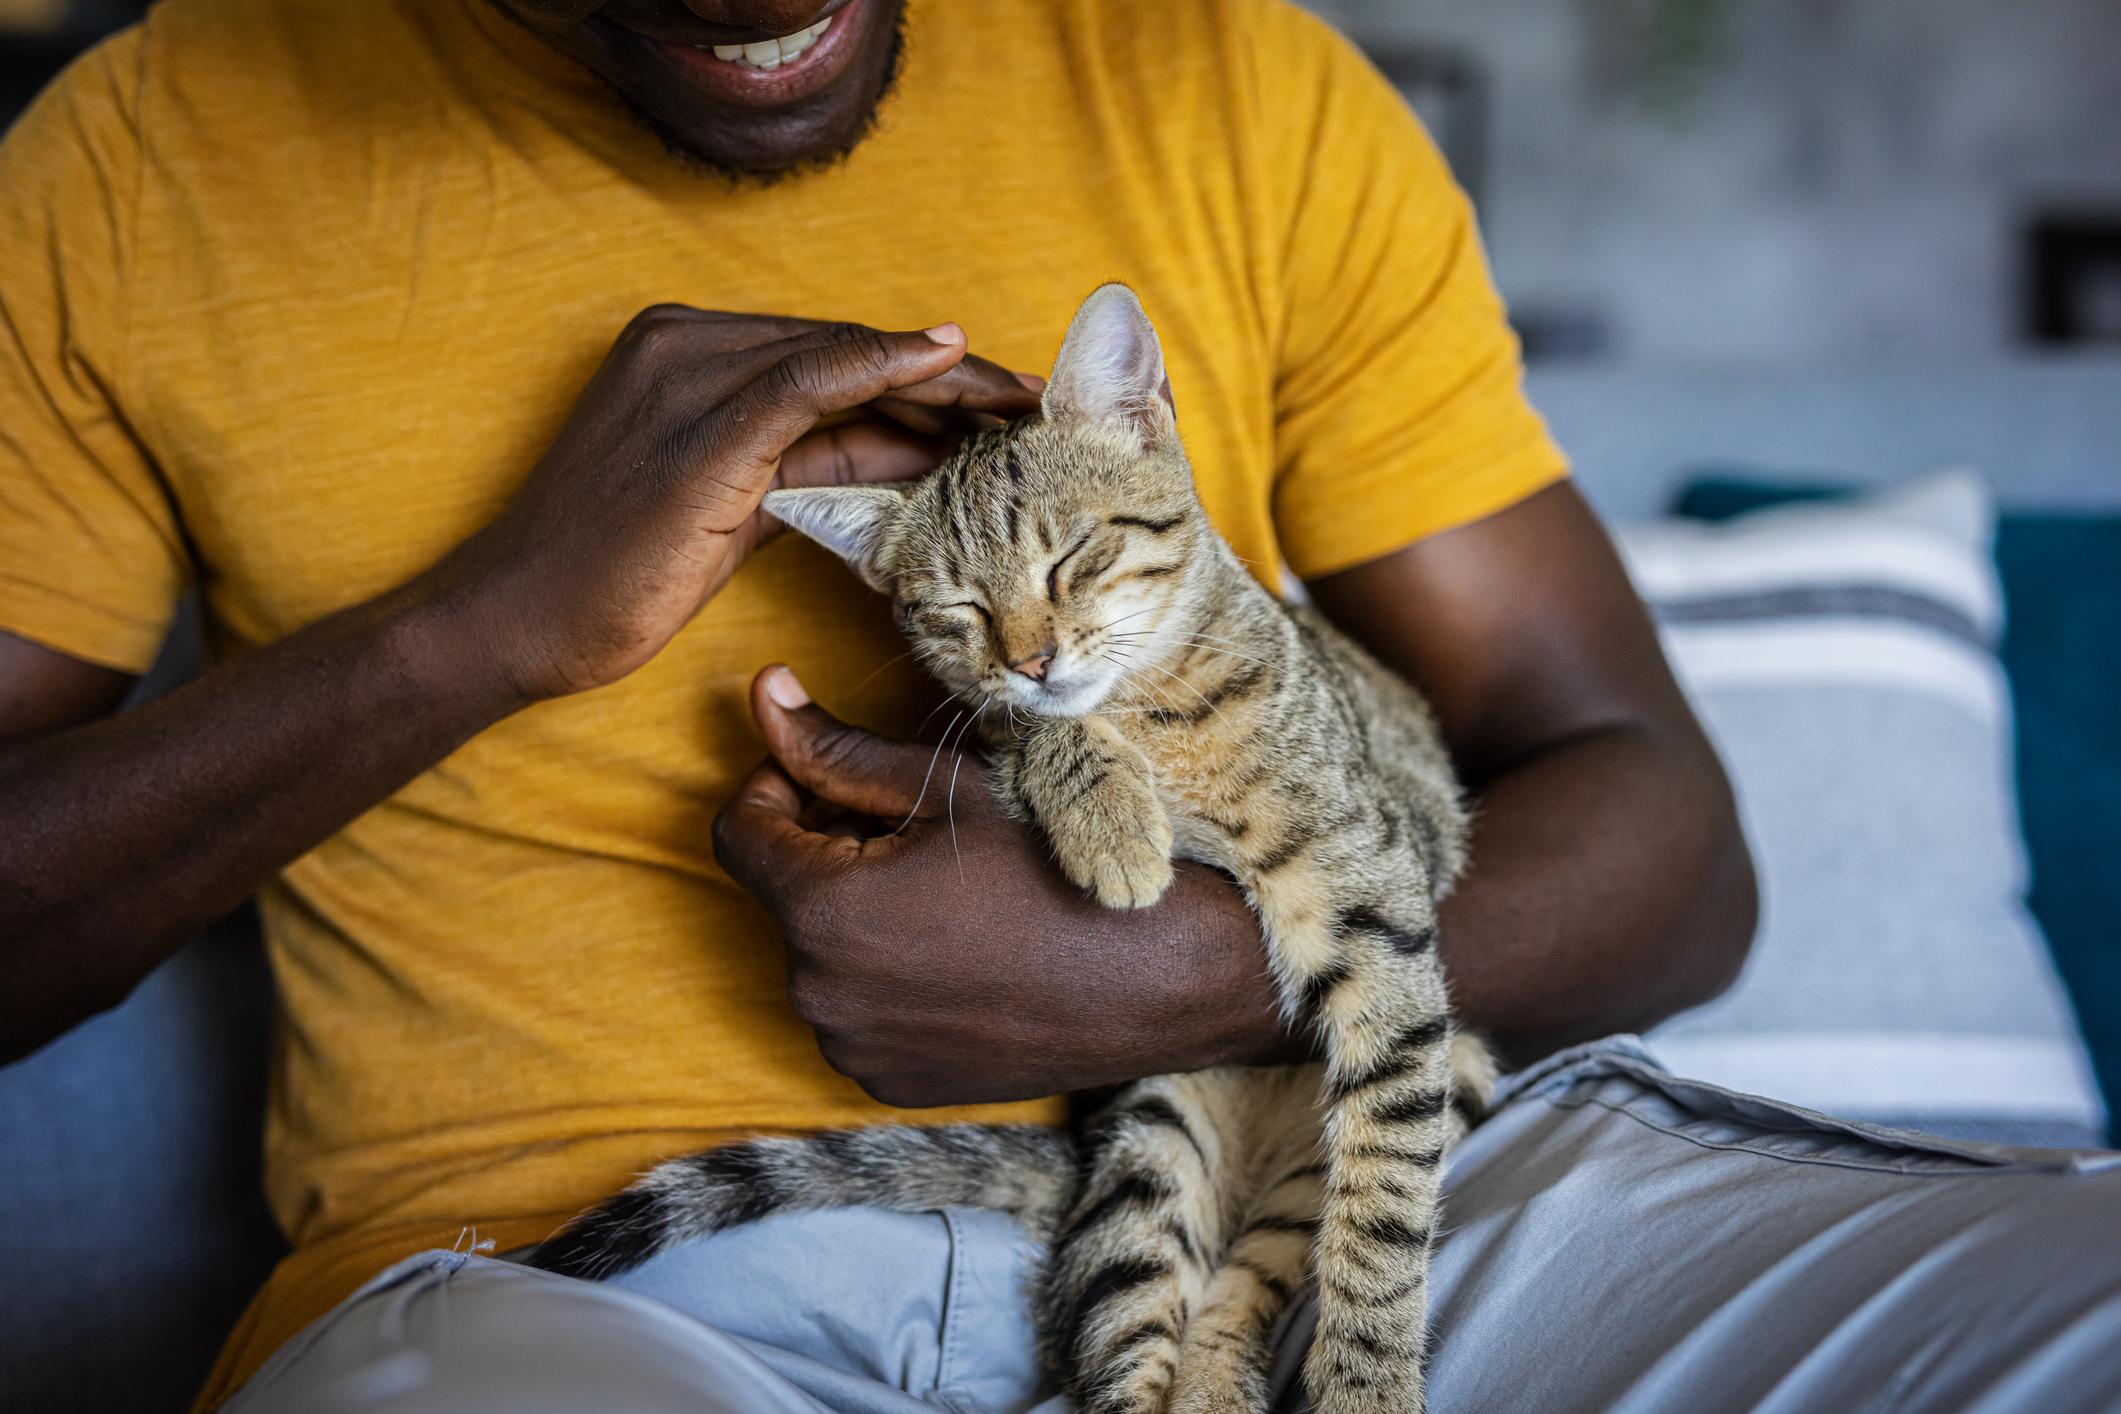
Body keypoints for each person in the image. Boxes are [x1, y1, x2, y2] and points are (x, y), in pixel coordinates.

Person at [0, 1, 2113, 1410]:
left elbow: (1668, 831)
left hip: (1335, 1193)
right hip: (567, 1277)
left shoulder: (1226, 80)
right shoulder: (133, 157)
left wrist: (1177, 974)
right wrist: (481, 626)